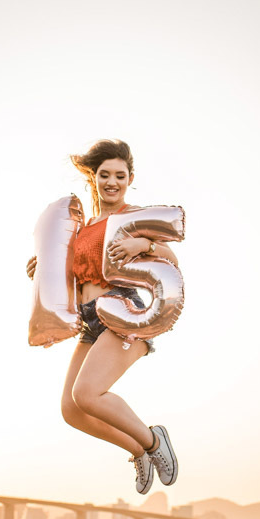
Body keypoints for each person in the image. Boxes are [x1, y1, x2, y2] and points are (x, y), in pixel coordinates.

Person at [26, 139, 179, 496]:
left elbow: (171, 259)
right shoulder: (83, 227)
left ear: (130, 180)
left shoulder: (132, 217)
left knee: (87, 393)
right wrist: (41, 269)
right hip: (89, 321)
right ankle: (138, 449)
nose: (112, 182)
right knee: (72, 409)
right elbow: (75, 276)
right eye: (105, 174)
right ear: (93, 178)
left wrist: (144, 245)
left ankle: (154, 441)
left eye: (120, 176)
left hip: (123, 311)